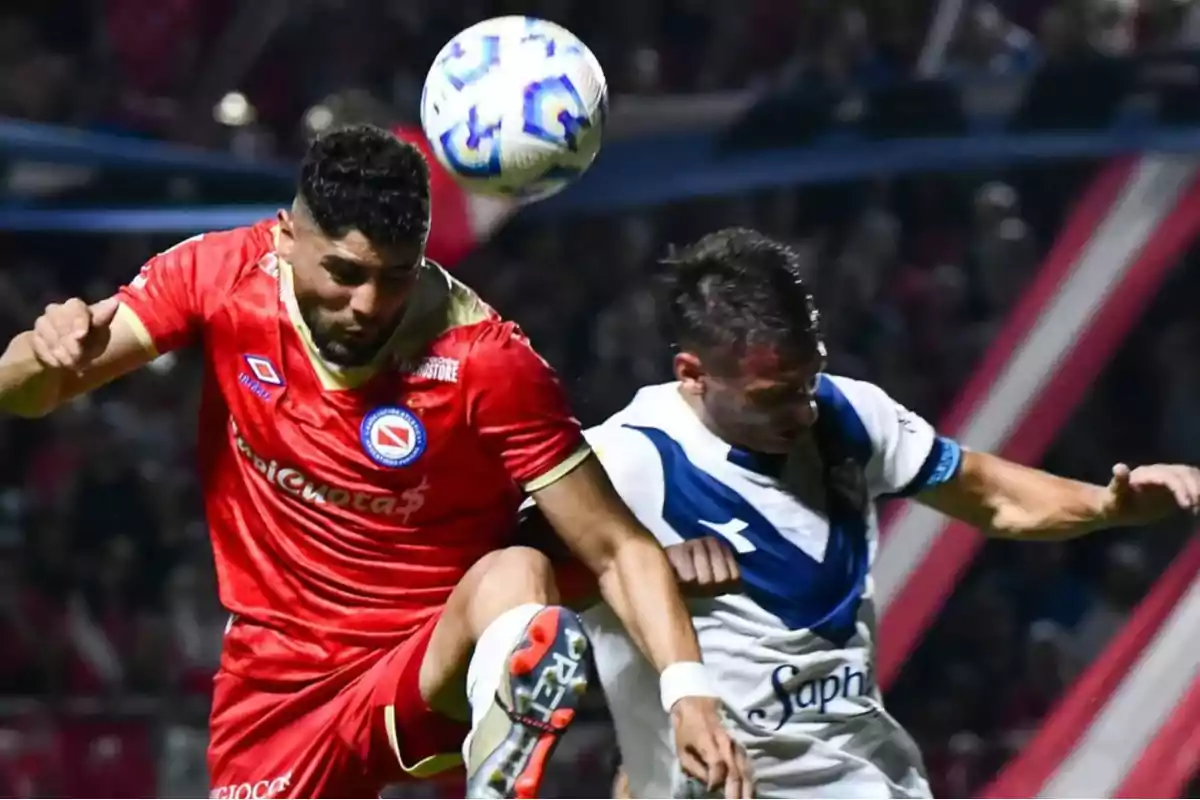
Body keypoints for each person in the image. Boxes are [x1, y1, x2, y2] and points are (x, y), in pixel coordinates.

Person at [0, 125, 752, 800]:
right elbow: (25, 394)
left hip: (427, 661)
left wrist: (690, 695)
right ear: (286, 237)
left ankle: (499, 758)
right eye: (345, 273)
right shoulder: (219, 278)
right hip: (276, 683)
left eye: (395, 276)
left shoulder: (488, 363)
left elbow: (615, 544)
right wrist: (44, 351)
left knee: (516, 577)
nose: (367, 303)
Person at [564, 227, 1200, 797]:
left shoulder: (851, 415)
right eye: (773, 398)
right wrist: (646, 567)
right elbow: (510, 584)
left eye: (810, 380)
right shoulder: (621, 460)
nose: (804, 410)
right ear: (693, 374)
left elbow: (990, 494)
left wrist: (1105, 504)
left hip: (865, 777)